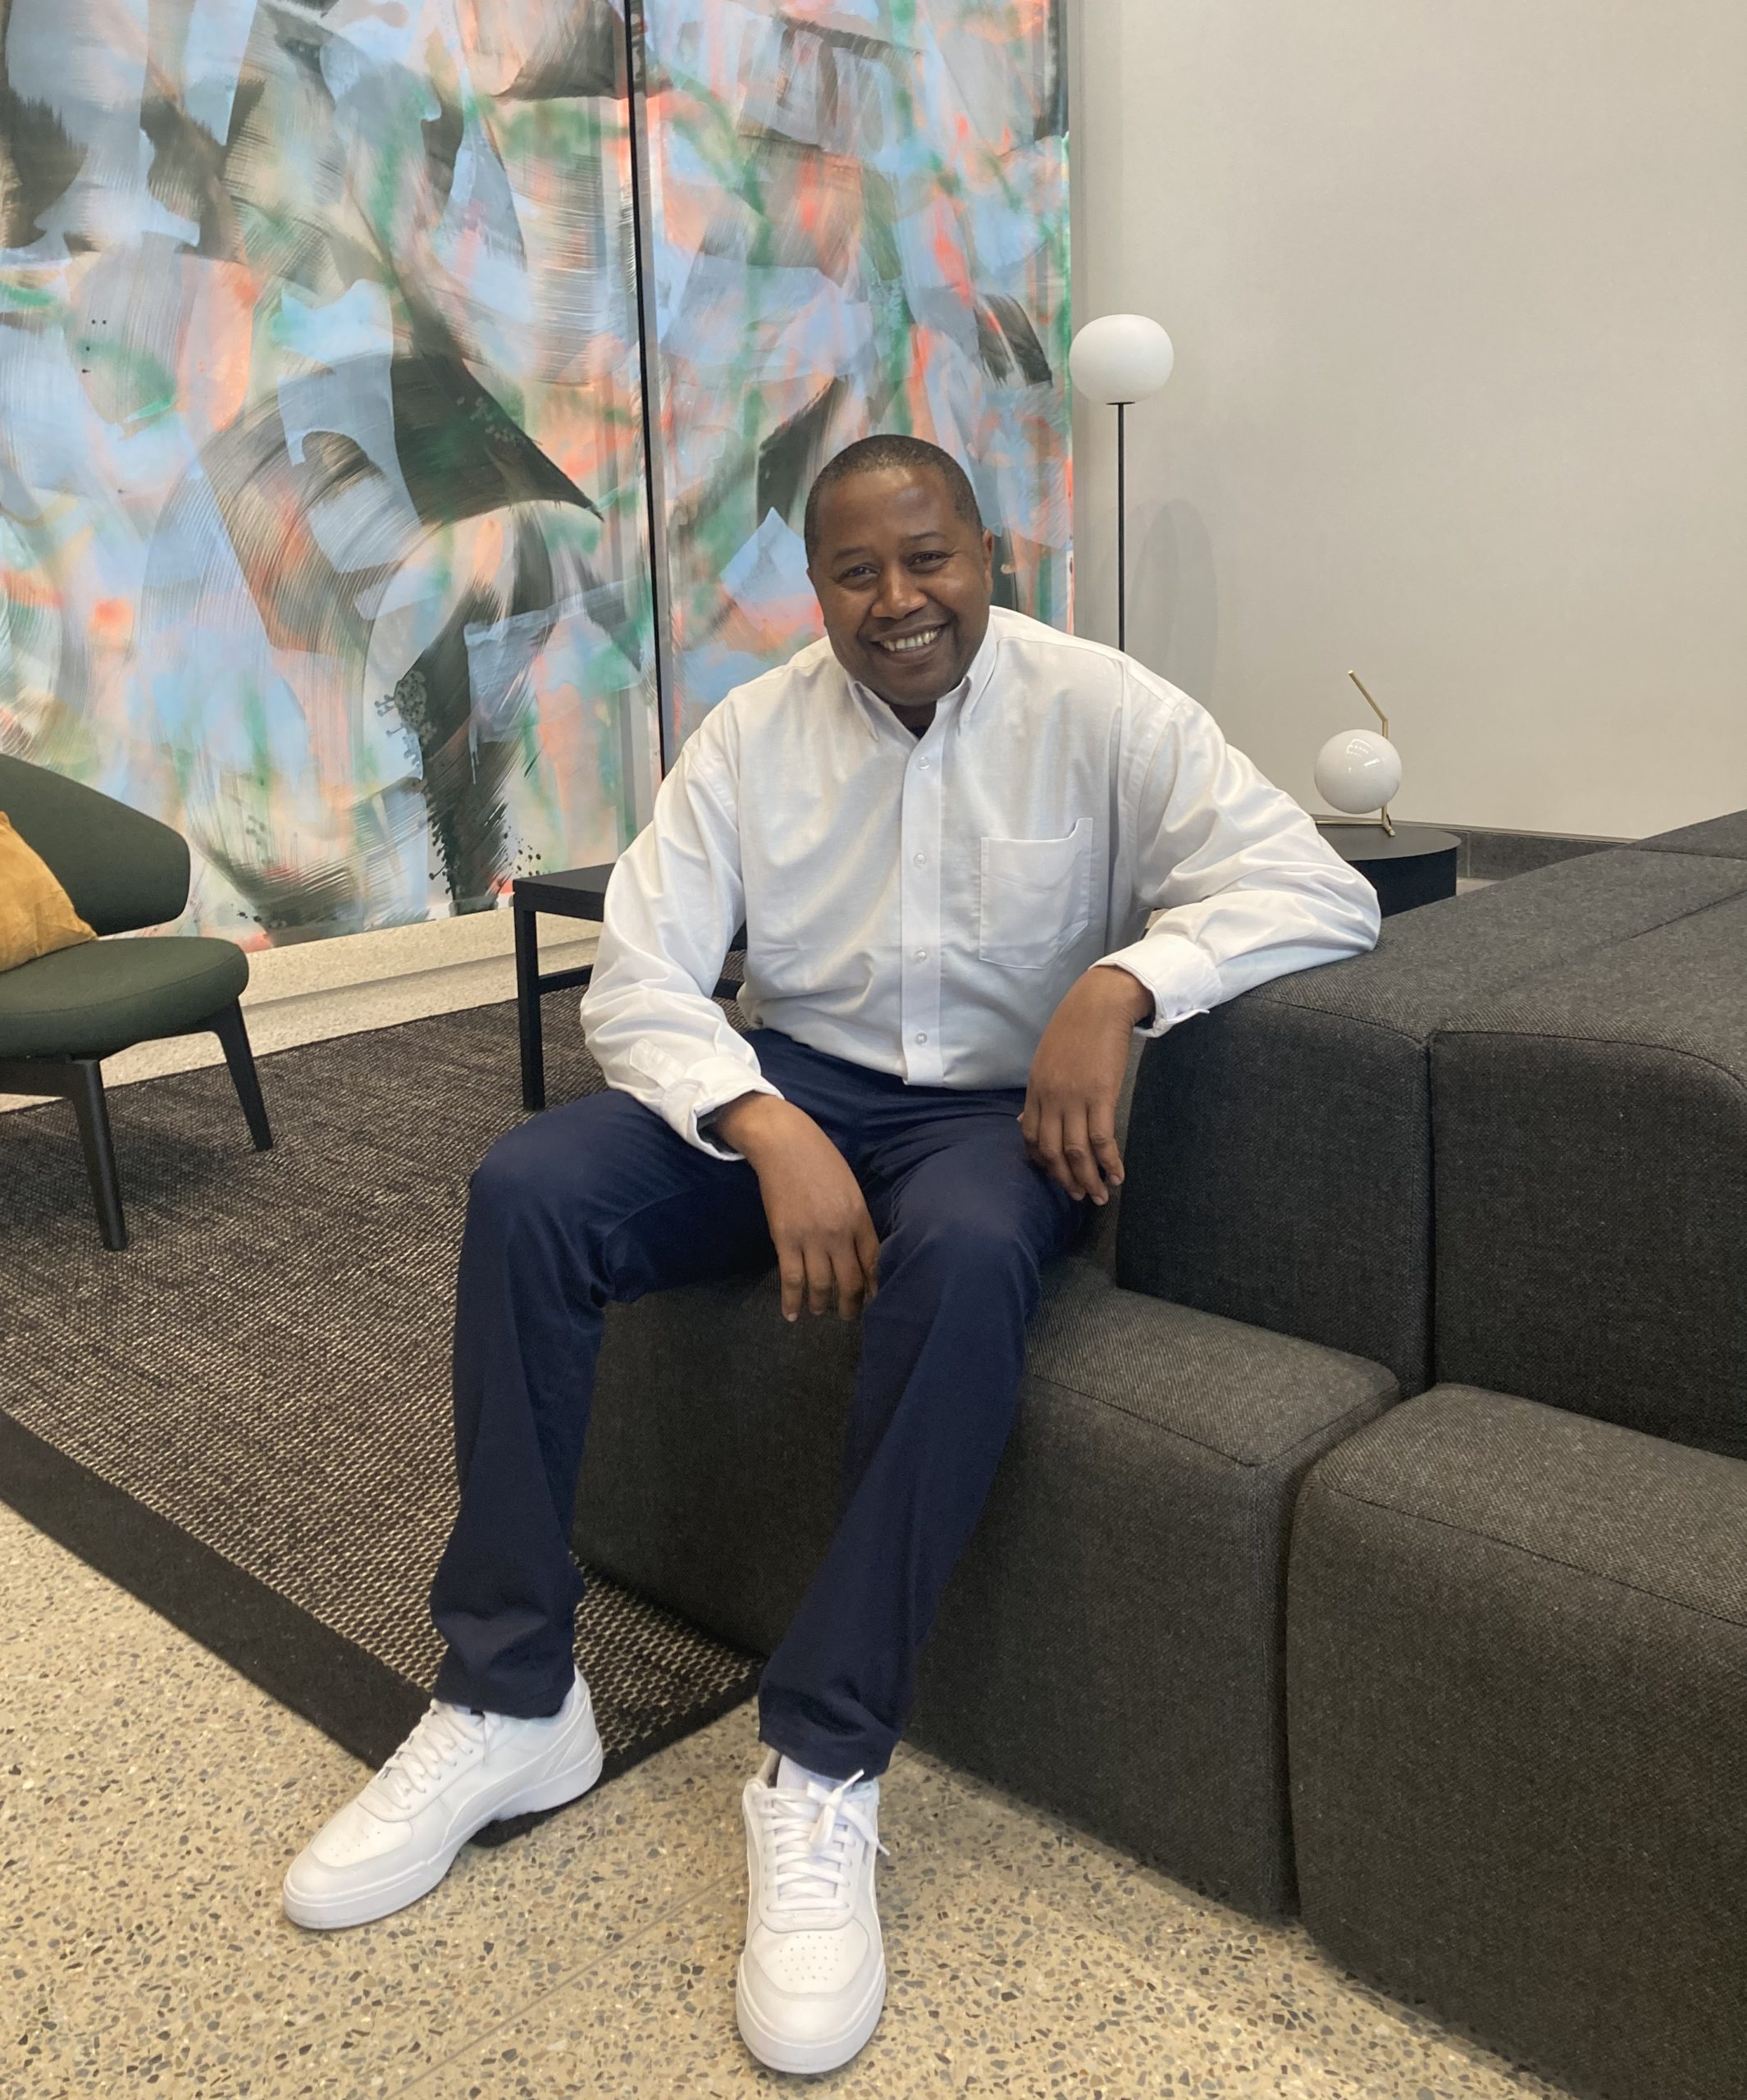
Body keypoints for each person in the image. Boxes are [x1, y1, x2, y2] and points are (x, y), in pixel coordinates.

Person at [282, 436, 1381, 2074]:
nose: (897, 599)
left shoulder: (1104, 709)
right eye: (856, 572)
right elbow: (641, 975)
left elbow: (1317, 888)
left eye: (927, 557)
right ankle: (513, 1698)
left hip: (988, 1124)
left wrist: (1124, 982)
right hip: (792, 1086)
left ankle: (823, 1759)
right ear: (816, 590)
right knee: (530, 1189)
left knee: (970, 1256)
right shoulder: (753, 734)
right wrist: (760, 1119)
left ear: (988, 555)